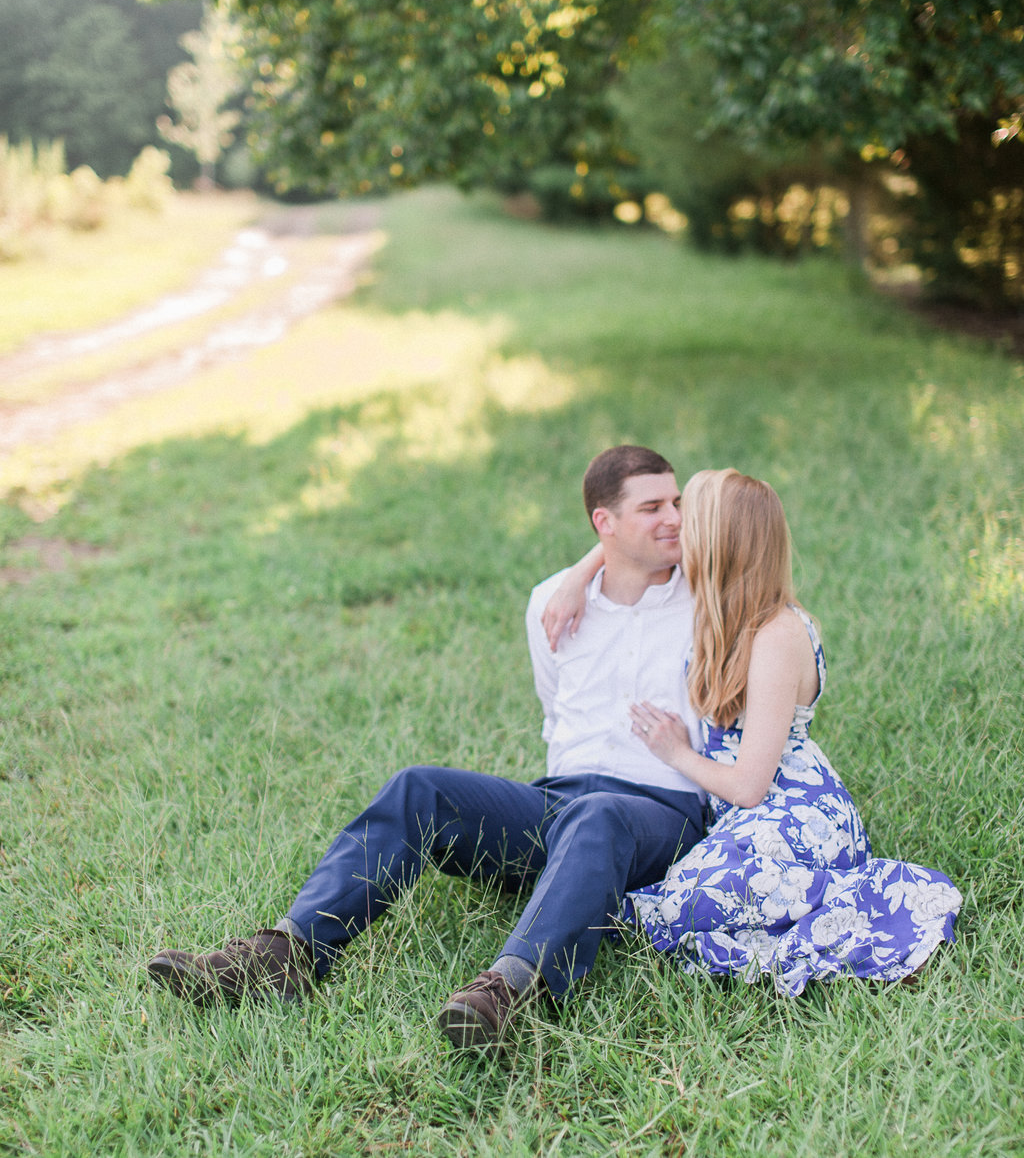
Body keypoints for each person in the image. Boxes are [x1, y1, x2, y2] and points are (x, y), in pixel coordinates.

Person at [147, 445, 707, 1049]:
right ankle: (286, 953)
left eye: (676, 502)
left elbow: (755, 561)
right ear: (605, 524)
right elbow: (554, 711)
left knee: (599, 816)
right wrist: (582, 577)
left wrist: (592, 563)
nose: (674, 517)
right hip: (559, 803)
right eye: (652, 507)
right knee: (420, 787)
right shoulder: (552, 602)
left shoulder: (707, 597)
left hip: (662, 814)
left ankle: (508, 992)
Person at [542, 468, 962, 994]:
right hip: (740, 814)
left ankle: (850, 905)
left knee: (689, 901)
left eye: (686, 521)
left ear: (720, 543)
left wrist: (674, 751)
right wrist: (579, 575)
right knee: (676, 897)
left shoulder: (777, 633)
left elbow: (749, 787)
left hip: (790, 811)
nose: (673, 526)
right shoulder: (721, 608)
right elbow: (627, 548)